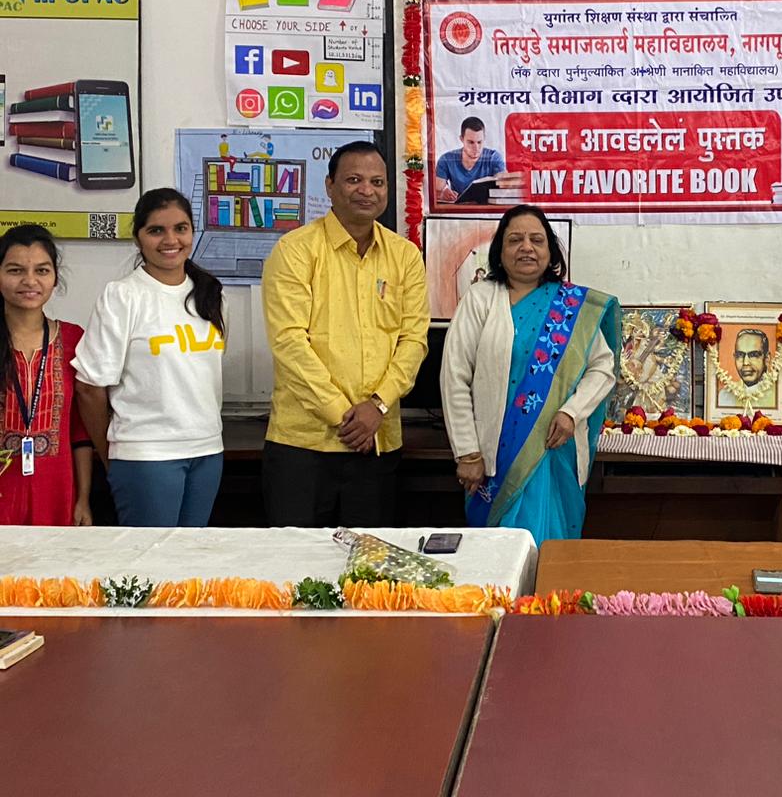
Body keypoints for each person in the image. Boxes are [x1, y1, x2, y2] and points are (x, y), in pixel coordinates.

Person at [261, 141, 428, 527]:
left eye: (377, 182)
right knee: (296, 561)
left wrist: (377, 407)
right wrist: (347, 417)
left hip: (378, 445)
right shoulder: (295, 250)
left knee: (369, 563)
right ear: (330, 185)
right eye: (354, 180)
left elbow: (414, 340)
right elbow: (289, 342)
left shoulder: (405, 256)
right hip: (303, 446)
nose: (366, 190)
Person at [442, 204, 618, 545]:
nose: (526, 248)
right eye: (515, 240)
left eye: (537, 240)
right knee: (501, 554)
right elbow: (454, 377)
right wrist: (467, 452)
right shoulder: (480, 299)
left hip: (553, 450)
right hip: (494, 457)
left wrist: (572, 412)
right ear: (500, 250)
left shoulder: (571, 306)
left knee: (552, 553)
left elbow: (602, 368)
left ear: (550, 250)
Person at [73, 190, 226, 526]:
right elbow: (89, 387)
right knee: (150, 558)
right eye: (156, 230)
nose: (170, 240)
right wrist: (111, 454)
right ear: (138, 238)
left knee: (191, 556)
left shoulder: (209, 293)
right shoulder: (122, 296)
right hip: (146, 454)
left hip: (208, 450)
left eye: (180, 228)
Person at [0, 225, 93, 525]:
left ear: (54, 277)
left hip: (56, 489)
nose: (30, 281)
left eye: (41, 270)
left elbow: (80, 430)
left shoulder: (74, 339)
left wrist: (83, 498)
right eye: (15, 270)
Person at [436, 117, 506, 203]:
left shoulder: (493, 158)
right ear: (462, 139)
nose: (476, 148)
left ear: (484, 138)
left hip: (487, 209)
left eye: (479, 142)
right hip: (459, 208)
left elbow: (504, 186)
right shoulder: (446, 160)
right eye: (471, 142)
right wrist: (442, 193)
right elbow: (437, 190)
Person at [717, 328, 777, 408]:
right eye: (740, 355)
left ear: (767, 358)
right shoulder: (725, 397)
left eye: (753, 355)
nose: (745, 363)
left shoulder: (778, 395)